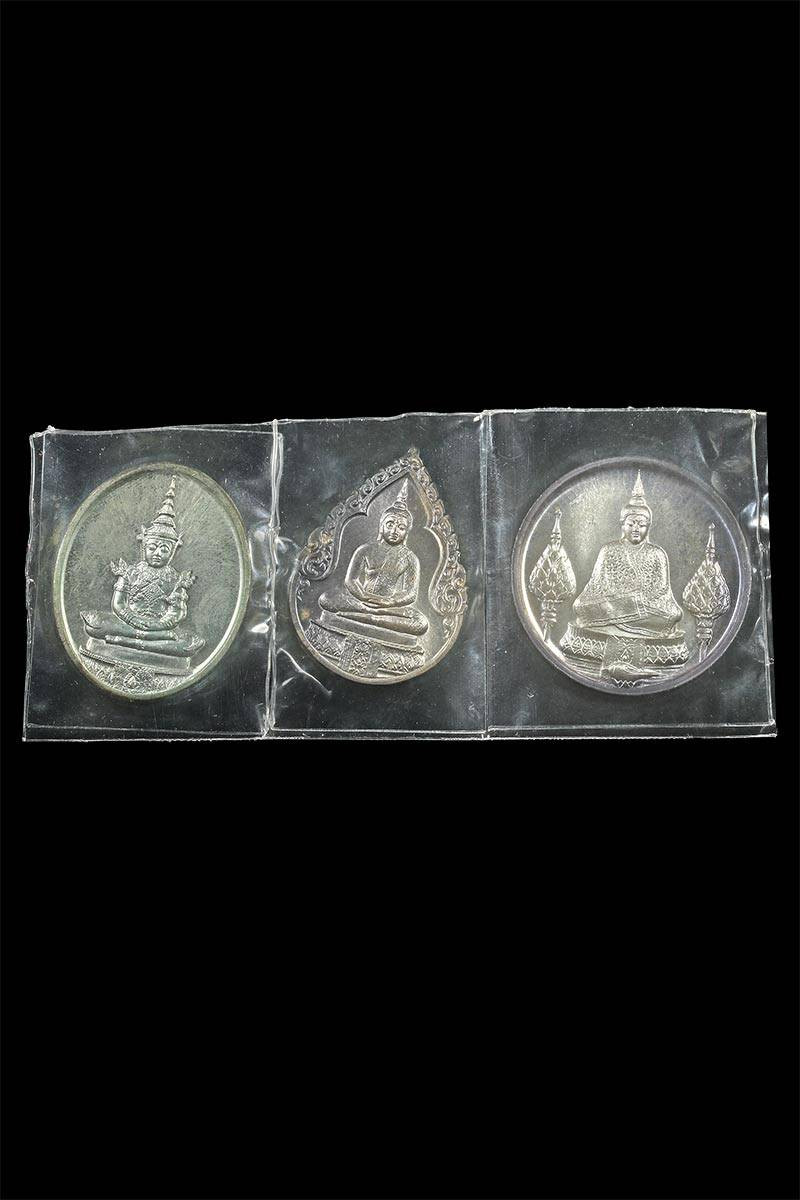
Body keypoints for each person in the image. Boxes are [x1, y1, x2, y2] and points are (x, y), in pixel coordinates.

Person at [81, 476, 205, 657]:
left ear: (173, 552)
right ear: (144, 546)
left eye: (164, 549)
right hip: (127, 624)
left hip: (159, 630)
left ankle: (122, 641)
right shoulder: (130, 572)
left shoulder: (176, 579)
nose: (157, 553)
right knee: (97, 623)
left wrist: (156, 625)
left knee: (188, 642)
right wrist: (133, 620)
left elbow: (176, 613)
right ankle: (144, 644)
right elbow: (118, 604)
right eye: (152, 548)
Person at [318, 481, 429, 637]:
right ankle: (372, 617)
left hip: (389, 608)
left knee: (420, 623)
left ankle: (364, 618)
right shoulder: (365, 549)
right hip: (361, 601)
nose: (394, 531)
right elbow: (351, 580)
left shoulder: (410, 558)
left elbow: (410, 593)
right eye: (390, 524)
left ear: (406, 532)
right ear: (381, 526)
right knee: (327, 599)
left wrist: (390, 602)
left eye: (401, 527)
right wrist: (363, 596)